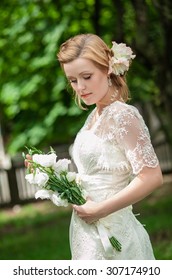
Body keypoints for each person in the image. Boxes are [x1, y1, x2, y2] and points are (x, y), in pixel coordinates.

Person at [57, 33, 163, 260]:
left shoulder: (122, 115)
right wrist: (50, 177)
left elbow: (152, 176)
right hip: (87, 233)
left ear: (107, 69)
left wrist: (100, 210)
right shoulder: (94, 116)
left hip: (115, 233)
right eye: (73, 80)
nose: (80, 87)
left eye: (86, 76)